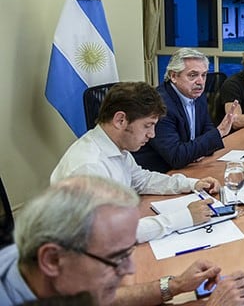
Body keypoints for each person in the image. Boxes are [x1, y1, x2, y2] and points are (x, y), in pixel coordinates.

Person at [0, 176, 244, 306]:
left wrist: (175, 285)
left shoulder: (59, 279)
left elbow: (103, 299)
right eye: (117, 257)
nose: (131, 269)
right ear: (52, 259)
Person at [50, 82, 221, 243]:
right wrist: (183, 217)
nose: (152, 134)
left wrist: (192, 184)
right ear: (120, 120)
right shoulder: (89, 167)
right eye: (147, 125)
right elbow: (112, 234)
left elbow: (141, 179)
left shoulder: (117, 146)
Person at [133, 48, 237, 173]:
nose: (200, 82)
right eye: (193, 75)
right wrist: (219, 132)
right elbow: (176, 156)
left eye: (203, 75)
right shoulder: (159, 105)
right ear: (173, 76)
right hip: (161, 173)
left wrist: (197, 151)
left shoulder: (197, 95)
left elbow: (207, 128)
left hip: (189, 166)